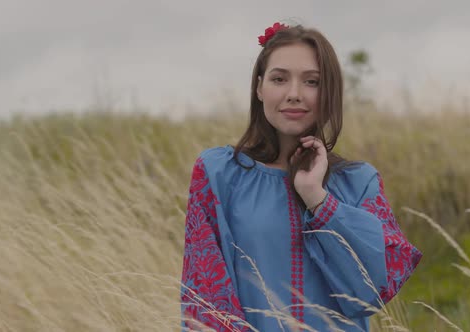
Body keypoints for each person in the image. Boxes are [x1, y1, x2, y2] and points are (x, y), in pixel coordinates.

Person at [180, 22, 422, 332]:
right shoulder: (218, 174)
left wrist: (318, 199)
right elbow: (205, 300)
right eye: (279, 79)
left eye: (312, 82)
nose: (294, 94)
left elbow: (377, 287)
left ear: (328, 91)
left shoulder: (359, 182)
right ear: (259, 87)